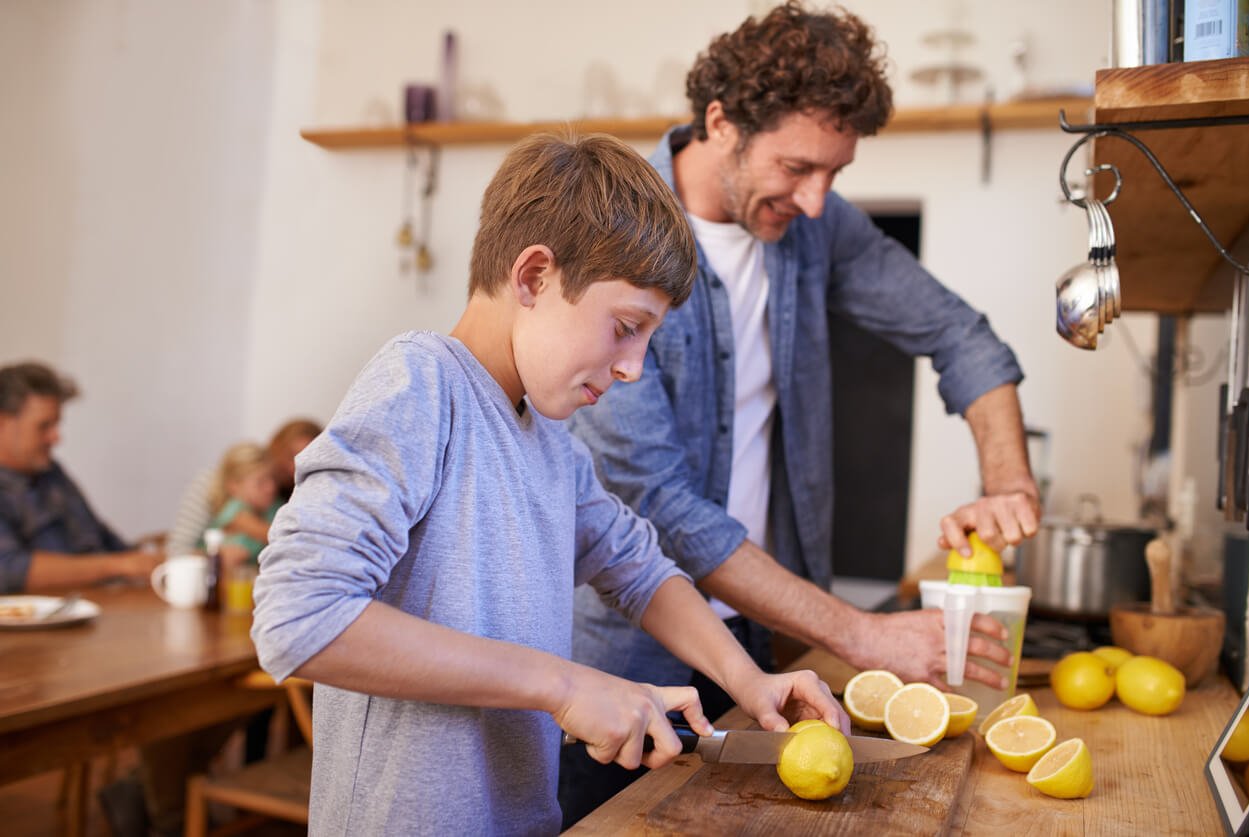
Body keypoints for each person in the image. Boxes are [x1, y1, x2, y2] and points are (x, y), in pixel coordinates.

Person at [249, 132, 848, 835]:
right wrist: (563, 684)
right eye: (626, 326)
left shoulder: (551, 443)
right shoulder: (423, 383)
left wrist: (754, 683)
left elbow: (642, 571)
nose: (633, 366)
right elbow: (298, 615)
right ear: (534, 277)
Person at [560, 2, 1042, 822]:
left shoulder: (812, 226)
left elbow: (962, 334)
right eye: (796, 167)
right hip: (632, 660)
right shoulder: (615, 236)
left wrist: (1008, 484)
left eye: (835, 173)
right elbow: (663, 509)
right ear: (721, 122)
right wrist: (863, 634)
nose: (817, 201)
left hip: (767, 642)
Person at [0, 361, 162, 593]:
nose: (56, 438)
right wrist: (117, 566)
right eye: (44, 426)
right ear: (2, 424)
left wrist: (150, 561)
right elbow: (9, 570)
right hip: (39, 624)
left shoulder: (51, 472)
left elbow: (107, 543)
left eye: (56, 424)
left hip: (102, 607)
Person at [166, 418, 321, 557]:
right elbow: (275, 534)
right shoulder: (234, 508)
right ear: (234, 485)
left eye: (308, 460)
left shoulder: (278, 503)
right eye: (290, 455)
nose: (295, 467)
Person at [202, 441, 281, 566]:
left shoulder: (272, 506)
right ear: (234, 486)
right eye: (260, 482)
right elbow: (274, 535)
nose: (271, 487)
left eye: (272, 478)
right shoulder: (235, 511)